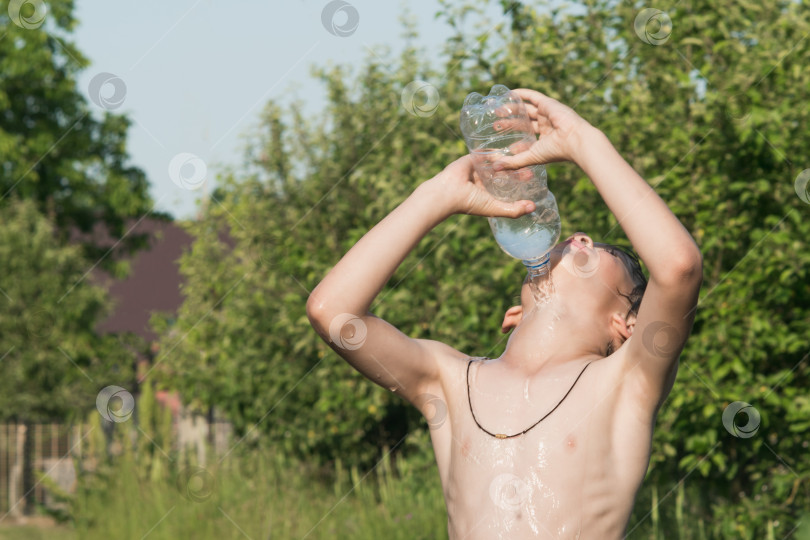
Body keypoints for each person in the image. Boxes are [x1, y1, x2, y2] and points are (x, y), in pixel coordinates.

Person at [306, 88, 703, 539]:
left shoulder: (626, 382)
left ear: (628, 325)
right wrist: (434, 197)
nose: (580, 238)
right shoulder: (451, 381)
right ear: (514, 314)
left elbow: (678, 267)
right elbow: (331, 312)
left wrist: (583, 142)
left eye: (608, 250)